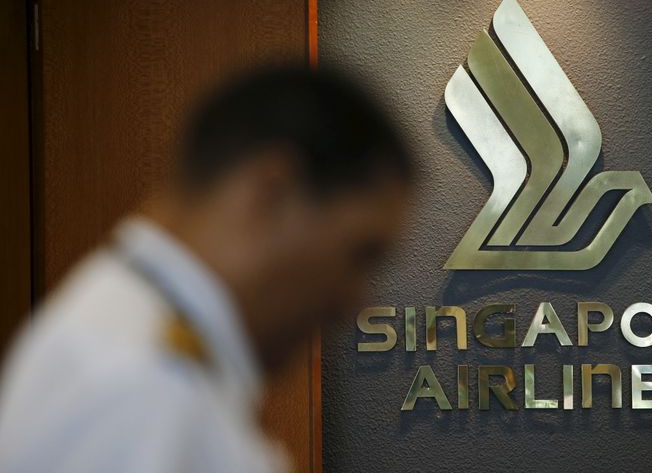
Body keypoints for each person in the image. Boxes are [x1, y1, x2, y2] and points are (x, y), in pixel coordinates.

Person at [0, 66, 414, 473]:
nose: (356, 301)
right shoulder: (138, 385)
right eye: (359, 254)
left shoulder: (145, 342)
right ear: (270, 194)